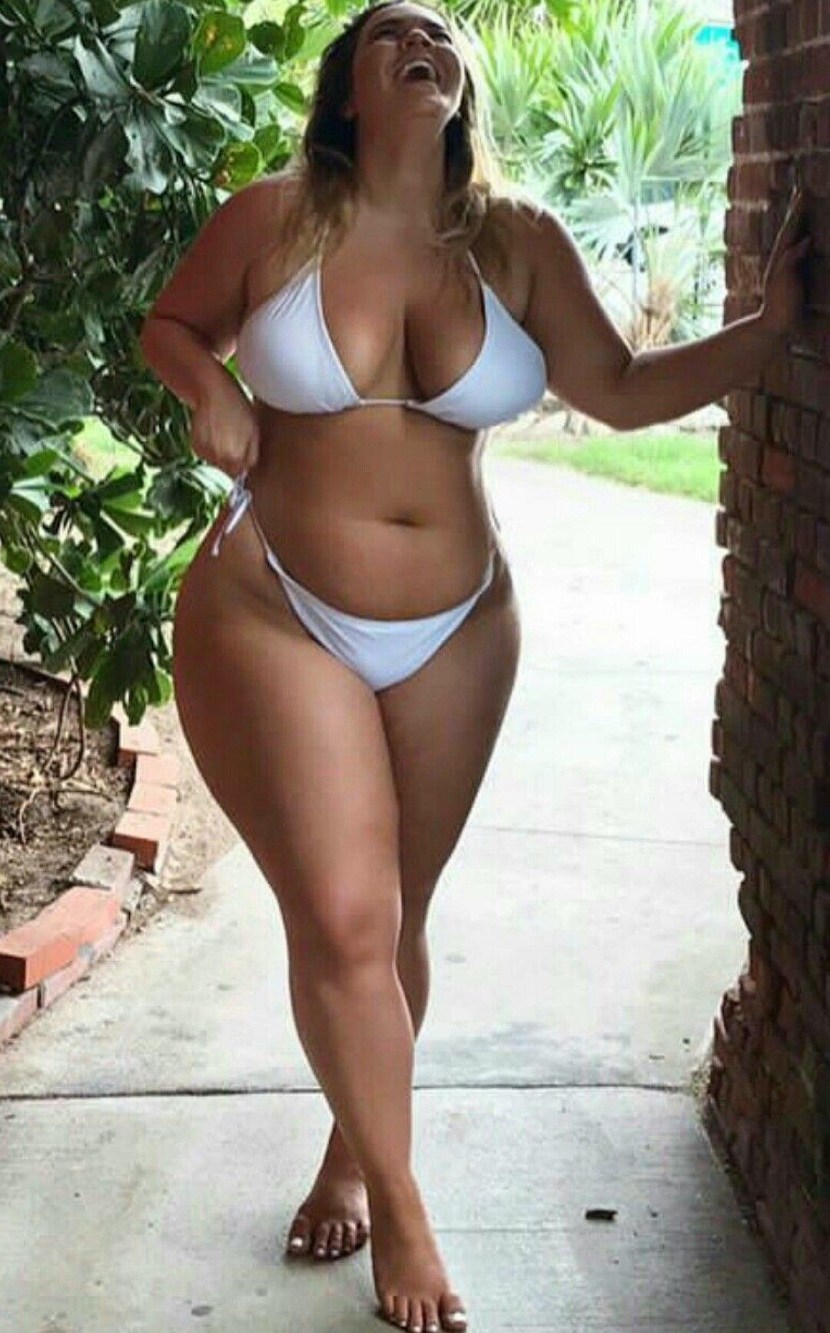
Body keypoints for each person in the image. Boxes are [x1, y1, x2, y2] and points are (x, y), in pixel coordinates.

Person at [139, 2, 810, 1328]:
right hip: (276, 602)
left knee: (396, 920)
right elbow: (171, 326)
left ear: (462, 84)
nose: (422, 42)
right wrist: (208, 388)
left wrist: (770, 327)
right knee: (344, 917)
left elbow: (620, 389)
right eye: (391, 32)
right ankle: (405, 1212)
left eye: (441, 33)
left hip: (458, 626)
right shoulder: (273, 219)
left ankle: (353, 1148)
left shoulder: (518, 241)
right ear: (347, 88)